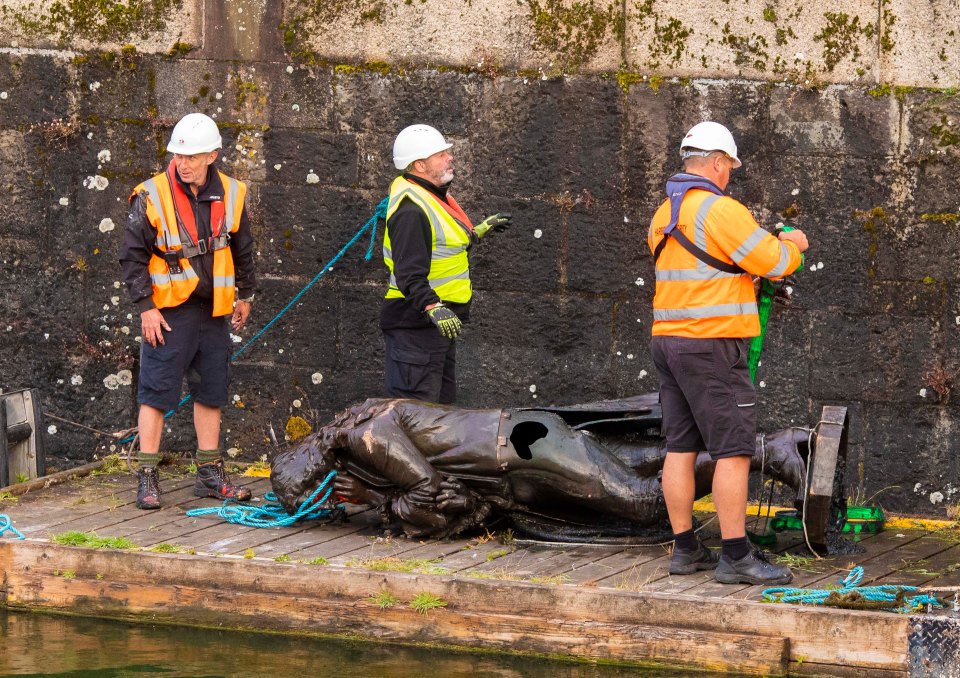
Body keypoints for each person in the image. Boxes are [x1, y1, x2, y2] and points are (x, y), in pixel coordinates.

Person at [270, 395, 809, 541]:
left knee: (644, 502)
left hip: (520, 450)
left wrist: (383, 505)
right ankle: (779, 445)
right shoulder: (367, 421)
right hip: (523, 447)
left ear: (321, 469)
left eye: (327, 496)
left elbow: (433, 493)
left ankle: (770, 453)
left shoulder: (363, 434)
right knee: (642, 462)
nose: (338, 503)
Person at [647, 121, 810, 585]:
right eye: (730, 166)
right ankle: (736, 556)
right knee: (733, 451)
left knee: (680, 446)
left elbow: (704, 270)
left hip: (669, 341)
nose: (730, 174)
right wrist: (793, 245)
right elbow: (774, 261)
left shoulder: (664, 215)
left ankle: (685, 549)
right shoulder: (720, 210)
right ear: (718, 162)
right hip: (712, 345)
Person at [120, 113, 257, 510]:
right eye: (178, 156)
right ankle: (147, 475)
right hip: (168, 312)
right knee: (156, 392)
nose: (183, 163)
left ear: (213, 155)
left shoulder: (233, 193)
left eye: (192, 157)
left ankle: (209, 475)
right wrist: (145, 307)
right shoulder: (150, 194)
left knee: (211, 391)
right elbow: (131, 257)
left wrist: (245, 295)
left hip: (214, 311)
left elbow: (242, 247)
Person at [381, 124, 511, 404]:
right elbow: (408, 272)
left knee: (440, 411)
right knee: (415, 416)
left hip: (436, 326)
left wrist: (477, 231)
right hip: (417, 326)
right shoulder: (411, 210)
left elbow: (440, 244)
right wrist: (432, 307)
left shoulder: (429, 195)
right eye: (440, 154)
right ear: (420, 164)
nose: (450, 157)